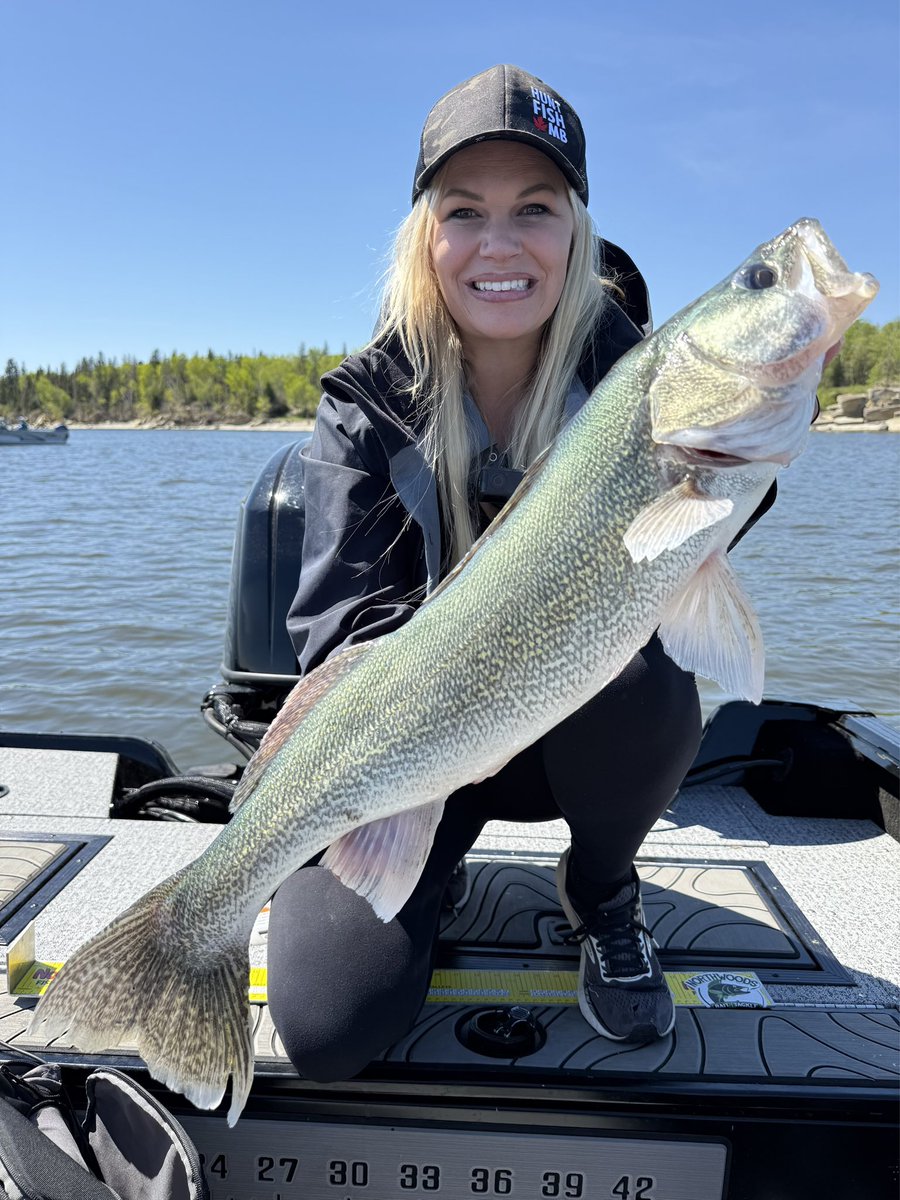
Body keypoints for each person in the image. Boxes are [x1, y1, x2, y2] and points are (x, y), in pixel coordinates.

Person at [265, 65, 736, 1079]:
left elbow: (708, 544)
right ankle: (425, 873)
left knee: (646, 673)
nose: (500, 244)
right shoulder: (365, 402)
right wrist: (402, 801)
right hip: (414, 752)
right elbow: (344, 634)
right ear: (425, 236)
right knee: (327, 1021)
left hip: (580, 745)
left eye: (535, 208)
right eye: (464, 211)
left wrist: (753, 443)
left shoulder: (647, 382)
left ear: (577, 231)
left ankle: (601, 891)